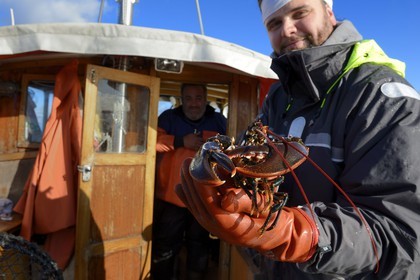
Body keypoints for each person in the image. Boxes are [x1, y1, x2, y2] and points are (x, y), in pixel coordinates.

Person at [176, 0, 420, 279]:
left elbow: (403, 237)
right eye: (274, 23)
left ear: (328, 11)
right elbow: (242, 153)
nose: (288, 30)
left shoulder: (385, 98)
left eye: (299, 13)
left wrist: (298, 235)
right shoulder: (279, 96)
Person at [152, 83, 227, 280]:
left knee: (199, 244)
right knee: (165, 245)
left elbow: (232, 145)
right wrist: (180, 142)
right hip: (170, 197)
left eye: (198, 97)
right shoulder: (168, 118)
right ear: (182, 99)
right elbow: (151, 141)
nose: (194, 103)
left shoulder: (219, 120)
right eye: (189, 98)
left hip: (204, 198)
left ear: (206, 99)